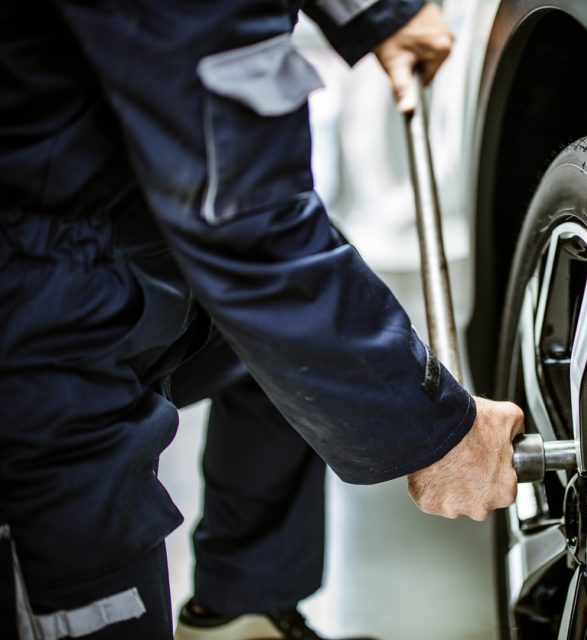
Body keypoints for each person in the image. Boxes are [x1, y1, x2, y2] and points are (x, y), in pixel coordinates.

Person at [0, 1, 523, 638]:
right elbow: (251, 233)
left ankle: (241, 607)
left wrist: (381, 11)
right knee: (83, 554)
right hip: (31, 322)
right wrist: (440, 432)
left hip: (92, 238)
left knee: (293, 359)